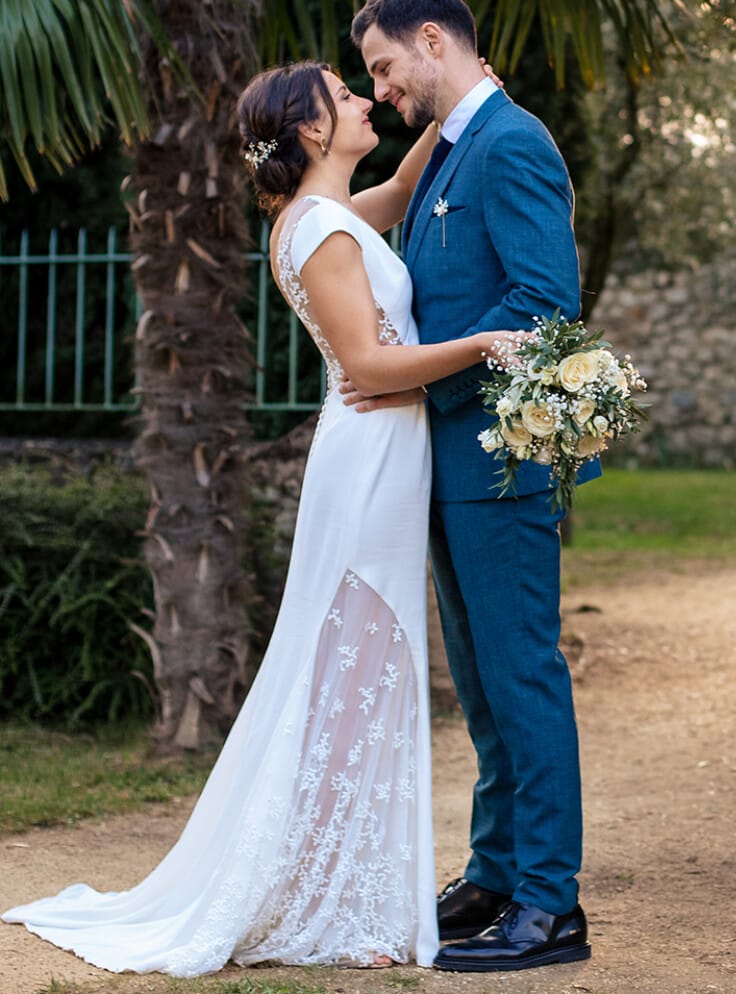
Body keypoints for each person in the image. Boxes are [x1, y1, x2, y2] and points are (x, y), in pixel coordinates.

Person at [3, 61, 521, 975]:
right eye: (347, 93)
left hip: (381, 460)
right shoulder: (317, 229)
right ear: (314, 130)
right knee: (357, 670)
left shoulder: (322, 218)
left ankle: (340, 876)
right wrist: (484, 342)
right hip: (369, 465)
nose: (367, 99)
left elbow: (401, 190)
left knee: (362, 671)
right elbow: (366, 366)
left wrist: (463, 88)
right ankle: (328, 887)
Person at [342, 0, 596, 973]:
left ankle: (550, 902)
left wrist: (424, 383)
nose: (386, 86)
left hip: (498, 460)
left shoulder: (515, 143)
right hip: (440, 462)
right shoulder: (448, 148)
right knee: (485, 683)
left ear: (434, 40)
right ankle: (495, 871)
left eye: (386, 65)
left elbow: (543, 311)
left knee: (523, 671)